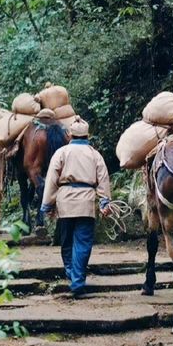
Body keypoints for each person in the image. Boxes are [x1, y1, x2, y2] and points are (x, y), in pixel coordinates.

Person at [41, 117, 111, 298]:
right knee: (83, 242)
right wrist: (104, 202)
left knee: (66, 241)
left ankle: (72, 274)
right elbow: (103, 179)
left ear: (70, 135)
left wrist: (47, 205)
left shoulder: (61, 153)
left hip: (65, 203)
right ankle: (77, 280)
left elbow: (51, 180)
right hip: (86, 203)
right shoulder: (94, 154)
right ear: (88, 135)